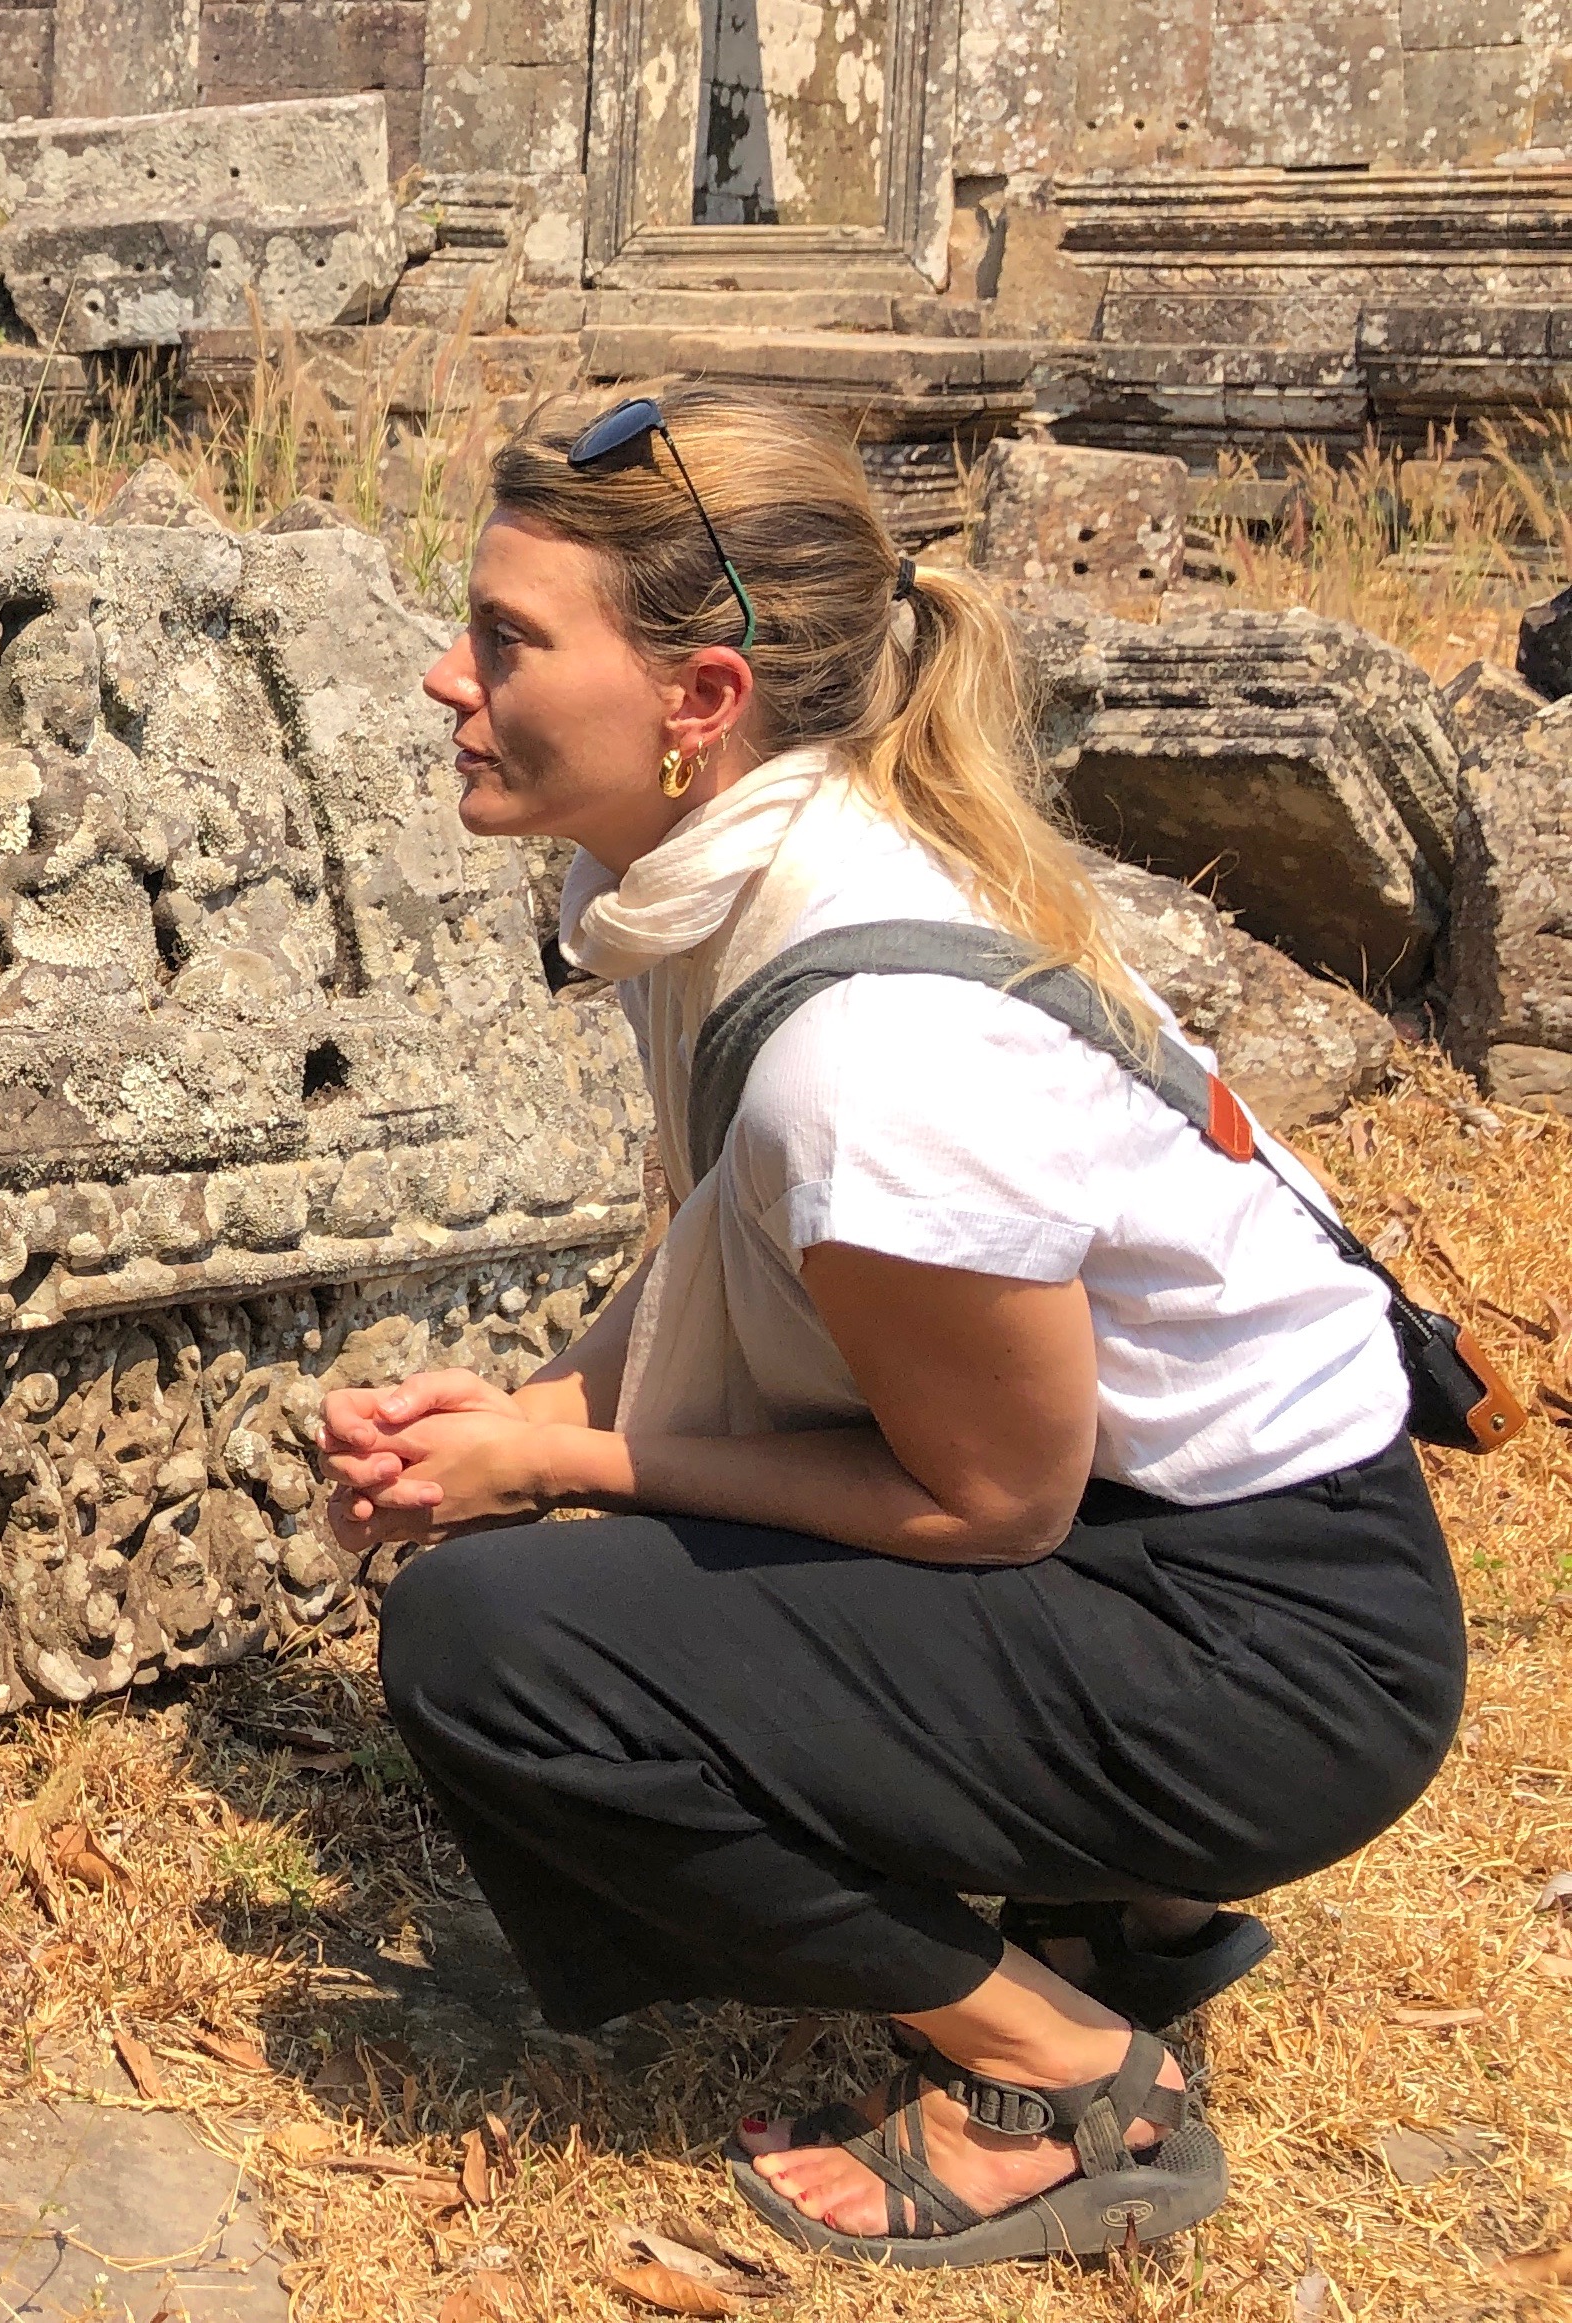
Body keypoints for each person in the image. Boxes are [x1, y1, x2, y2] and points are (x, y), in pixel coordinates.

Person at [319, 385, 1464, 2269]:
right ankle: (1122, 1903)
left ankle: (1069, 2070)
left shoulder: (868, 1052)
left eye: (509, 638)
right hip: (1194, 1556)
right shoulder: (740, 878)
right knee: (549, 1585)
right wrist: (520, 1407)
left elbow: (993, 1502)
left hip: (1275, 1657)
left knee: (498, 1643)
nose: (452, 676)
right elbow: (727, 1235)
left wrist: (554, 1463)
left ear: (699, 702)